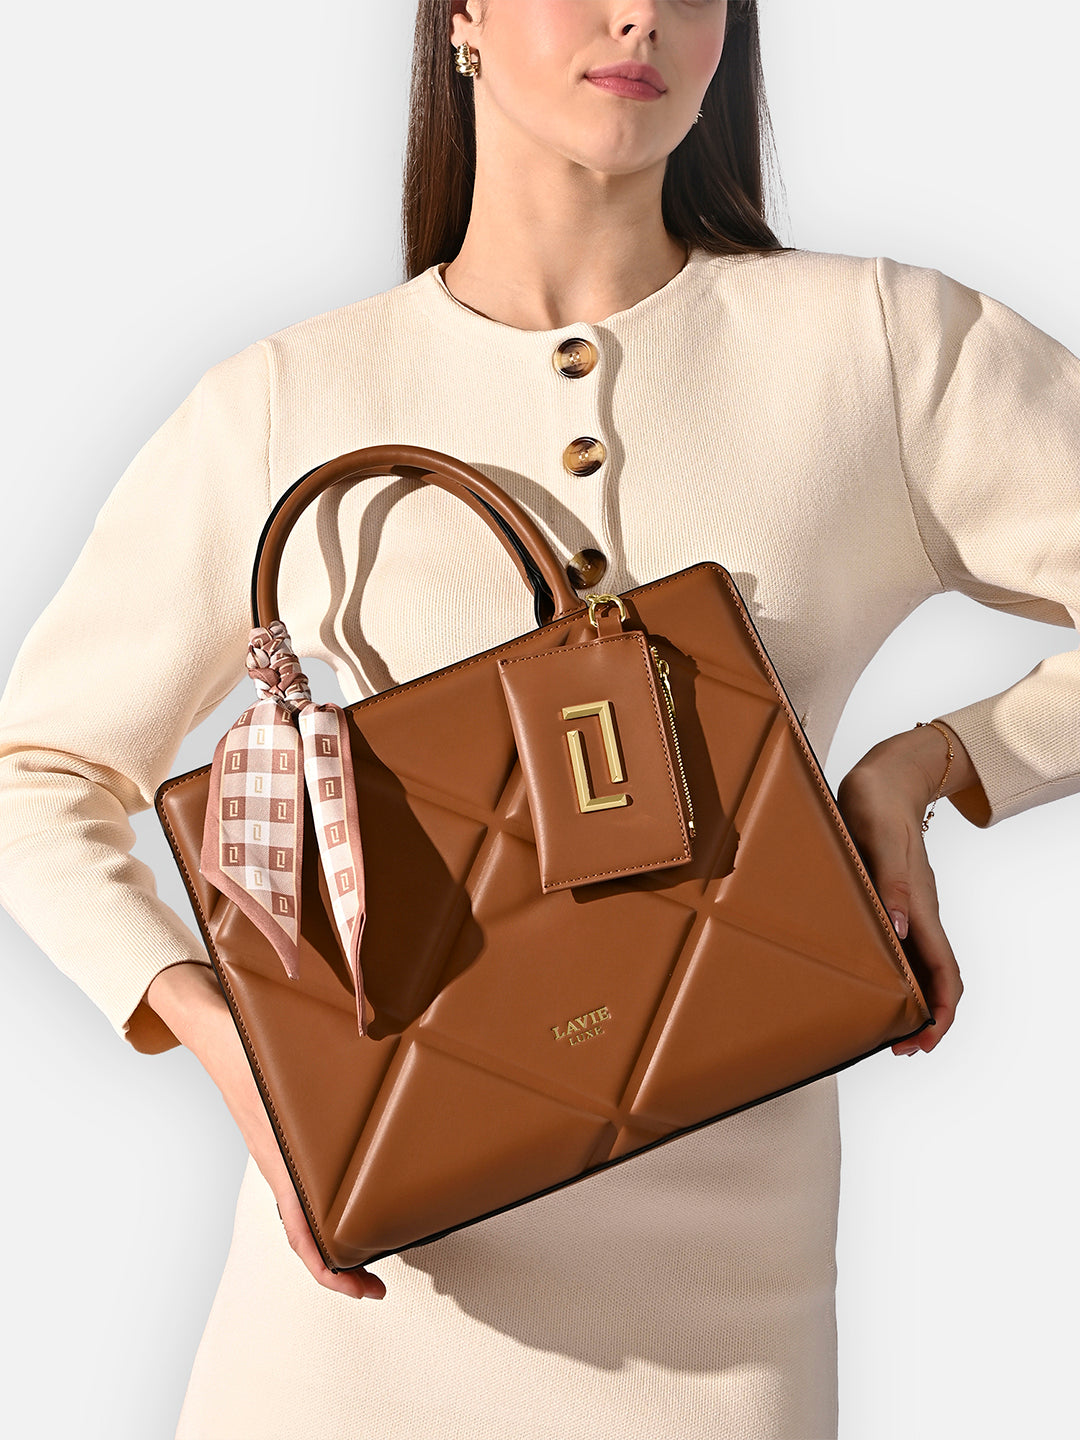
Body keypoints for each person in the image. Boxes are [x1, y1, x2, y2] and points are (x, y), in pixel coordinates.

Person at [1, 1, 1078, 1436]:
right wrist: (224, 1040)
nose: (641, 13)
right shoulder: (285, 400)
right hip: (352, 1335)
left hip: (727, 1331)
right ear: (462, 14)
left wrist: (930, 767)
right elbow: (38, 771)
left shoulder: (877, 347)